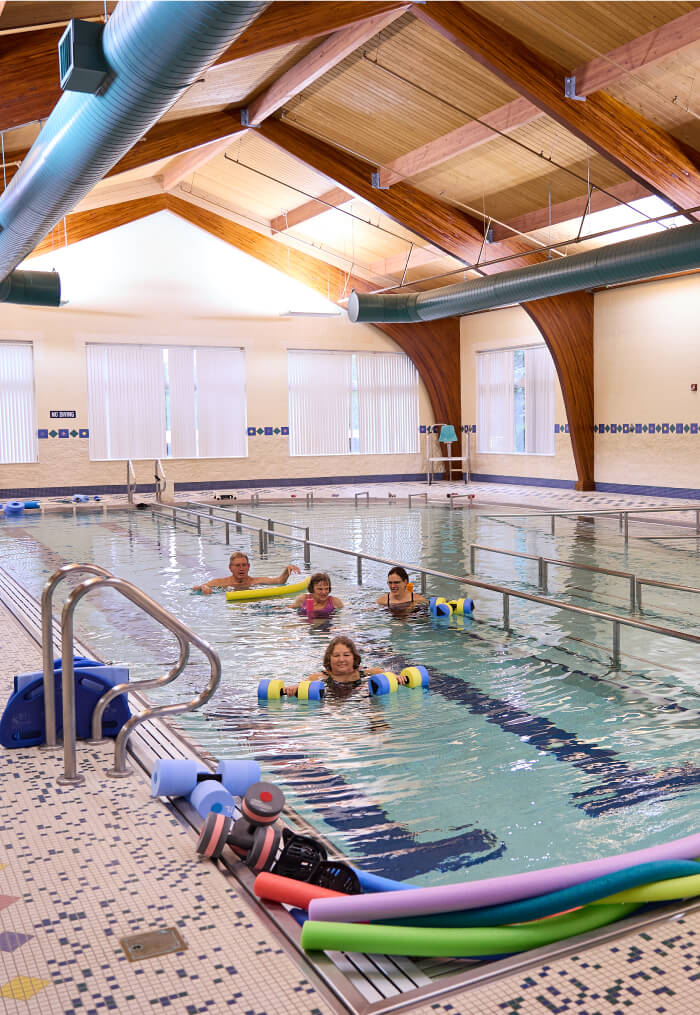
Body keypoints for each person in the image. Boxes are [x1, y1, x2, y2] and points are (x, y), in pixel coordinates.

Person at [284, 635, 407, 696]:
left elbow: (387, 675)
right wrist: (293, 688)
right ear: (329, 658)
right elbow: (302, 684)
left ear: (354, 658)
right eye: (336, 656)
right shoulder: (320, 677)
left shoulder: (368, 673)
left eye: (346, 655)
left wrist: (395, 677)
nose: (341, 660)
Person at [192, 551, 301, 595]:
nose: (241, 568)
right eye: (238, 565)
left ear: (248, 567)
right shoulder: (221, 582)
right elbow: (195, 588)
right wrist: (203, 588)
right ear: (230, 568)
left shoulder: (256, 581)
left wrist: (287, 570)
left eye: (244, 565)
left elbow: (279, 581)